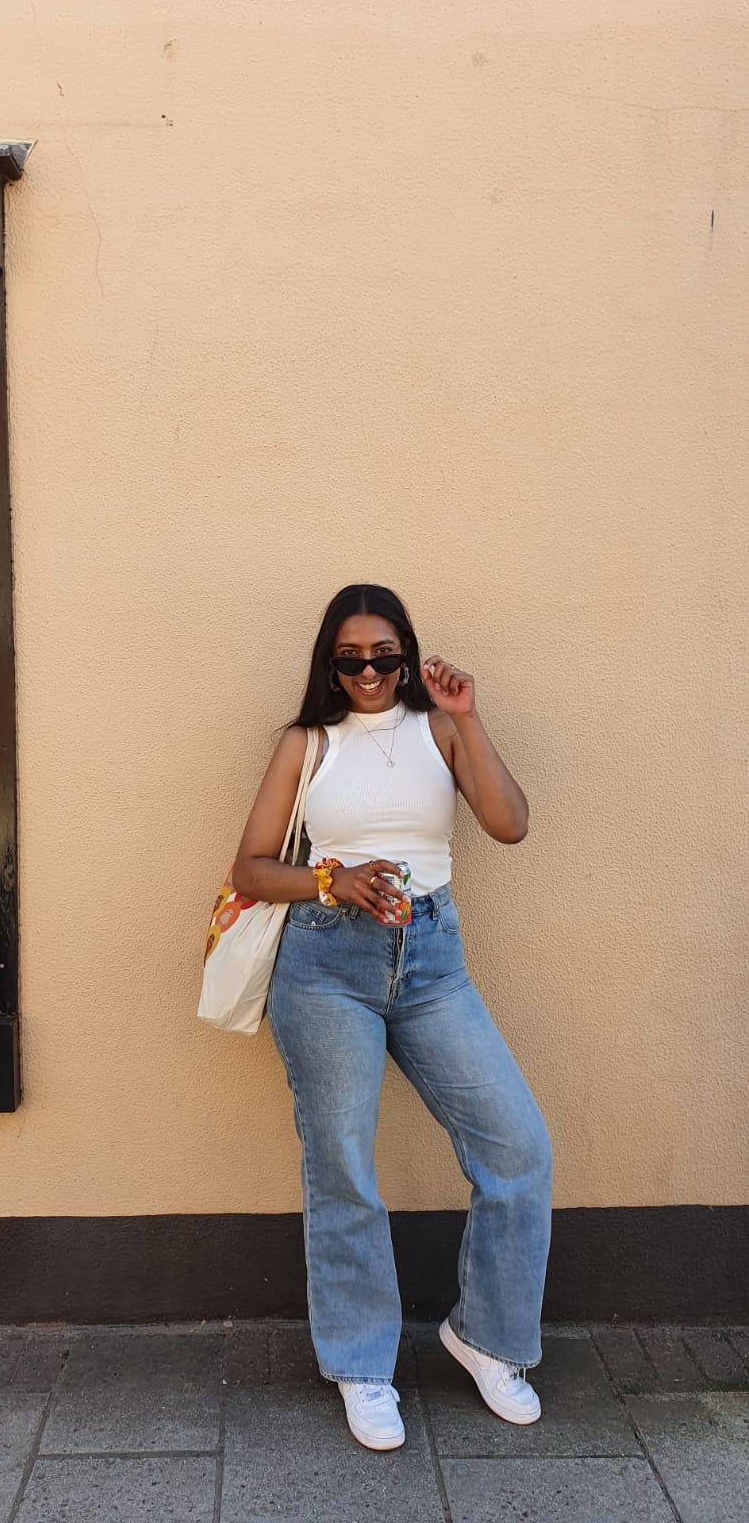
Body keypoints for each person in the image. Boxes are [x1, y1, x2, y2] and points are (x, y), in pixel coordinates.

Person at [231, 584, 552, 1452]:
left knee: (517, 1148)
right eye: (350, 658)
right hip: (328, 963)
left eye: (384, 655)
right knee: (342, 1164)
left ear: (408, 655)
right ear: (329, 664)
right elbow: (254, 868)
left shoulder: (440, 728)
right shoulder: (306, 745)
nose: (369, 672)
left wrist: (469, 716)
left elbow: (509, 824)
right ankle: (362, 1364)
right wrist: (333, 879)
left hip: (432, 962)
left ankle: (484, 1339)